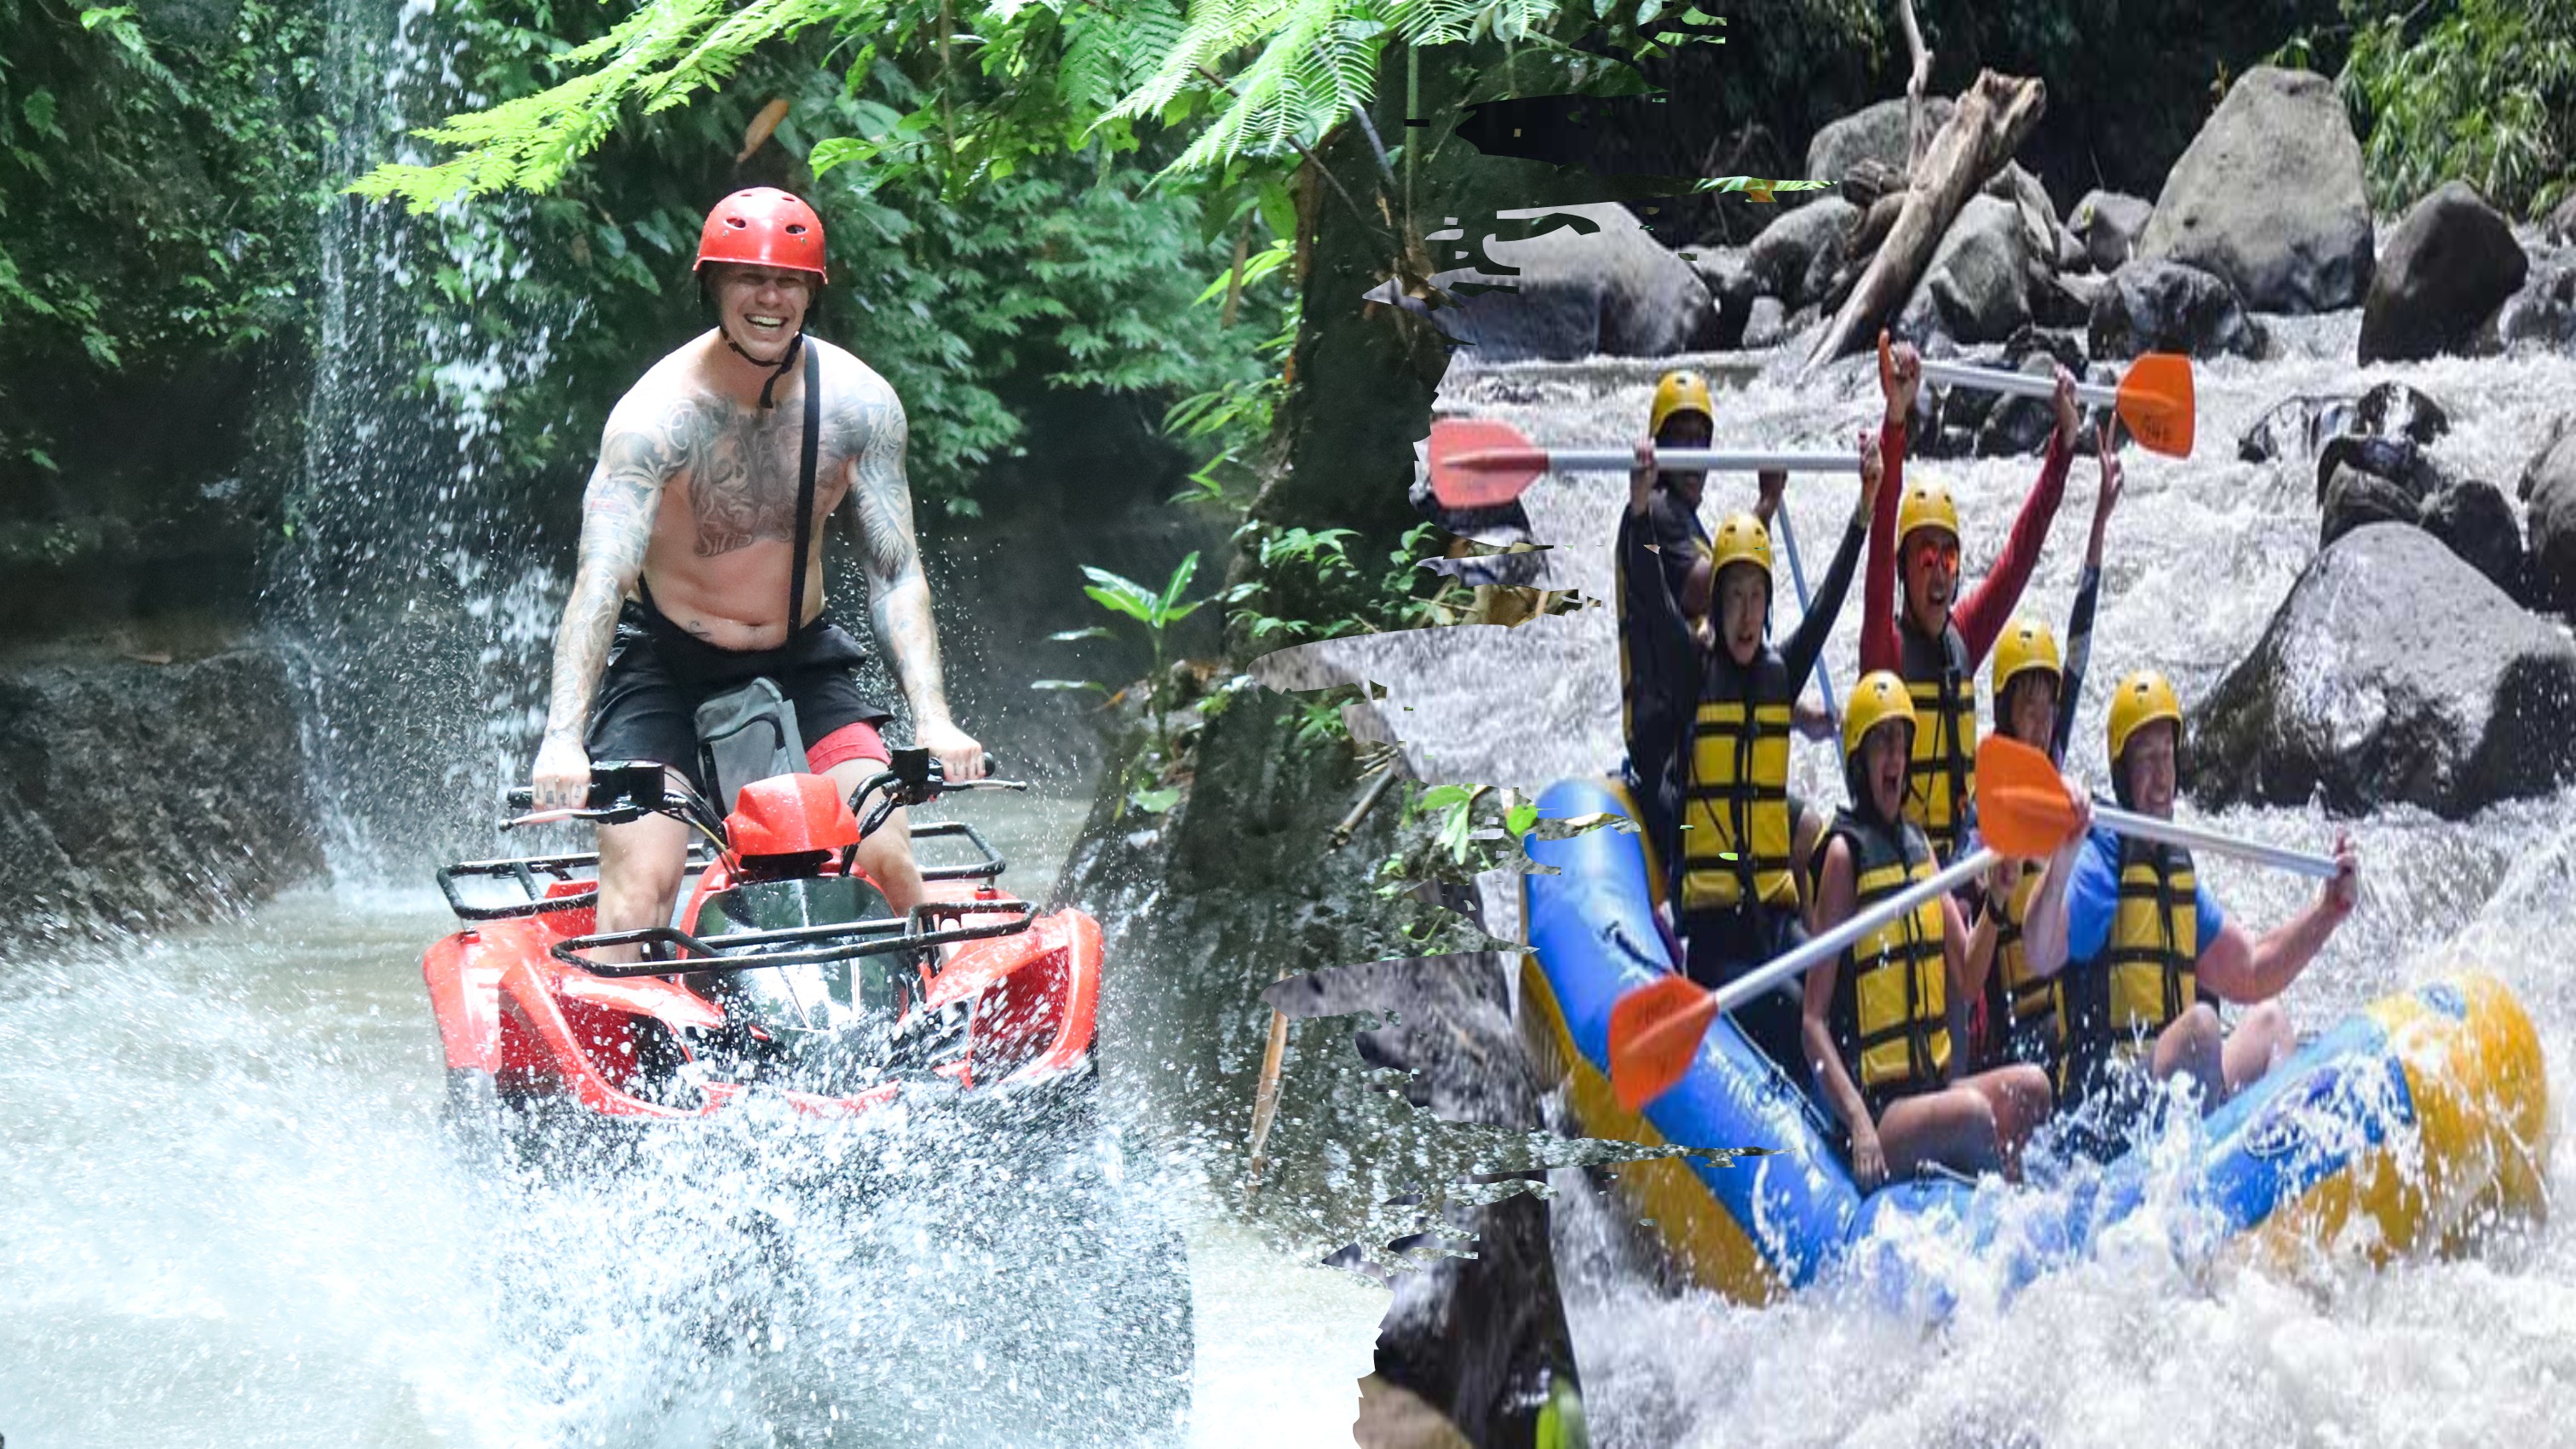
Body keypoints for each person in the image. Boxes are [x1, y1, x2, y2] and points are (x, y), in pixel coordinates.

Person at [529, 187, 986, 957]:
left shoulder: (861, 406)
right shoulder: (654, 419)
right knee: (641, 890)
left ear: (812, 292)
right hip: (666, 668)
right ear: (714, 285)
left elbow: (895, 571)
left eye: (788, 281)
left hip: (801, 660)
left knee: (888, 858)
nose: (769, 298)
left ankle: (932, 1021)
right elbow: (600, 581)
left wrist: (934, 720)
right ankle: (624, 1024)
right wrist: (562, 741)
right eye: (749, 278)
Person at [1621, 426, 1882, 1072]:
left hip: (1773, 918)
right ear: (1717, 603)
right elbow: (1650, 590)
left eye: (1755, 597)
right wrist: (1639, 510)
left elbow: (1829, 602)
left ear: (1767, 605)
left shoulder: (1778, 675)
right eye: (1733, 596)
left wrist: (1864, 509)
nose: (1744, 614)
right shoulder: (1691, 673)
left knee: (1846, 999)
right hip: (1718, 939)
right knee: (1799, 1019)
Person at [2020, 670, 2362, 1142]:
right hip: (2107, 1115)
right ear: (2122, 773)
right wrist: (2062, 859)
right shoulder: (2102, 860)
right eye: (2146, 758)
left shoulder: (2174, 868)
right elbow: (2039, 951)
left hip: (2176, 1097)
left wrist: (2327, 912)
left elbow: (2252, 970)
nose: (2161, 775)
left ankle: (2276, 1160)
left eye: (2167, 755)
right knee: (2202, 1027)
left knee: (2270, 1021)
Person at [1801, 672, 2068, 1188]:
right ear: (1858, 758)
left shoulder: (1919, 846)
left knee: (2033, 1090)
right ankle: (2001, 1207)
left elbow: (1968, 976)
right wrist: (1858, 1121)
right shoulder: (1843, 857)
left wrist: (1997, 900)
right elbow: (1812, 1023)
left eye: (1901, 743)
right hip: (1882, 1109)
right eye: (1882, 742)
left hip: (1933, 1090)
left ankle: (2015, 1201)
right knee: (1972, 1114)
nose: (1895, 757)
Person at [1864, 331, 2084, 865]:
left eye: (1949, 558)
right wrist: (1896, 419)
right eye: (1925, 557)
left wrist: (2063, 446)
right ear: (1904, 569)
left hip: (1963, 865)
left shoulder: (1963, 636)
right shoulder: (1884, 651)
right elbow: (1883, 526)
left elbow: (2020, 554)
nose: (1939, 572)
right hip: (1902, 867)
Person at [1964, 418, 2126, 1077]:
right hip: (2008, 1019)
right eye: (2026, 703)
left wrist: (2100, 523)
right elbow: (1968, 871)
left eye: (2046, 702)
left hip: (2061, 1001)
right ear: (2004, 709)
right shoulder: (1983, 796)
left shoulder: (2055, 768)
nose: (2038, 717)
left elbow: (2080, 642)